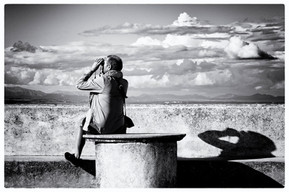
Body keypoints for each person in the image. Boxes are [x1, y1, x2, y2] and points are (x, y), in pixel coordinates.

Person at [65, 55, 128, 164]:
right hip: (119, 128)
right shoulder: (124, 82)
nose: (101, 67)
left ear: (108, 66)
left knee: (83, 122)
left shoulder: (103, 81)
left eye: (104, 65)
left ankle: (76, 156)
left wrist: (92, 69)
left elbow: (79, 84)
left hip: (104, 129)